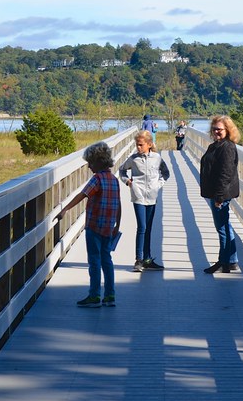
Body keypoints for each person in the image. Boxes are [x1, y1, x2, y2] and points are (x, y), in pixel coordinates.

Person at [56, 142, 122, 307]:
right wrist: (117, 225)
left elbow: (83, 194)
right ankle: (110, 295)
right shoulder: (114, 180)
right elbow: (119, 204)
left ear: (98, 161)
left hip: (94, 226)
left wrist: (65, 209)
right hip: (109, 227)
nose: (89, 167)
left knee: (94, 261)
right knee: (107, 260)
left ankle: (94, 295)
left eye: (90, 163)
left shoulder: (97, 179)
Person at [118, 130, 170, 272]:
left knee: (148, 228)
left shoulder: (157, 158)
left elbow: (166, 173)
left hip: (152, 197)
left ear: (149, 144)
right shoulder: (133, 159)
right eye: (137, 144)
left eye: (141, 145)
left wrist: (158, 184)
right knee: (142, 227)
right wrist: (128, 182)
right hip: (138, 196)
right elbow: (121, 170)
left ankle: (147, 259)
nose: (138, 147)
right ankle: (138, 260)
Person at [199, 115, 241, 274]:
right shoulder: (216, 145)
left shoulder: (227, 147)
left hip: (220, 194)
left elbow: (225, 174)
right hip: (217, 192)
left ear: (228, 130)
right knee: (225, 225)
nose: (216, 131)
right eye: (214, 128)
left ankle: (223, 262)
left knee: (222, 228)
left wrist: (219, 197)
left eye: (220, 129)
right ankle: (232, 260)